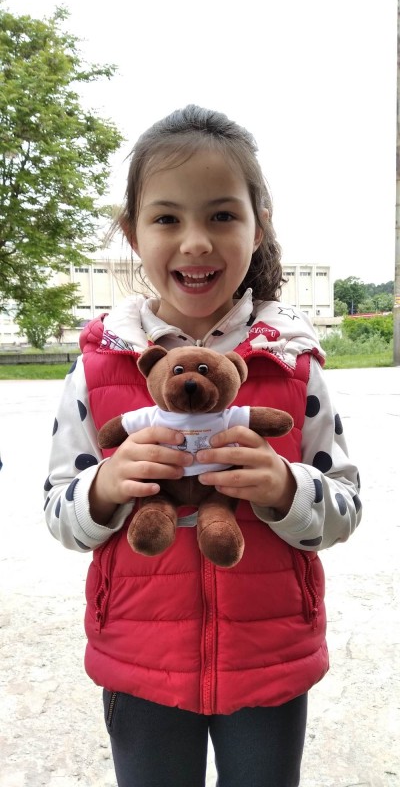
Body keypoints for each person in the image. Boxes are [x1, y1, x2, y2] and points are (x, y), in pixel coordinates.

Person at [44, 105, 362, 787]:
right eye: (166, 218)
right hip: (140, 660)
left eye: (221, 215)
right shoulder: (98, 368)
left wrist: (286, 488)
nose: (194, 242)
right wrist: (103, 488)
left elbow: (344, 507)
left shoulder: (292, 363)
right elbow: (58, 513)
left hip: (269, 660)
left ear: (258, 226)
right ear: (132, 232)